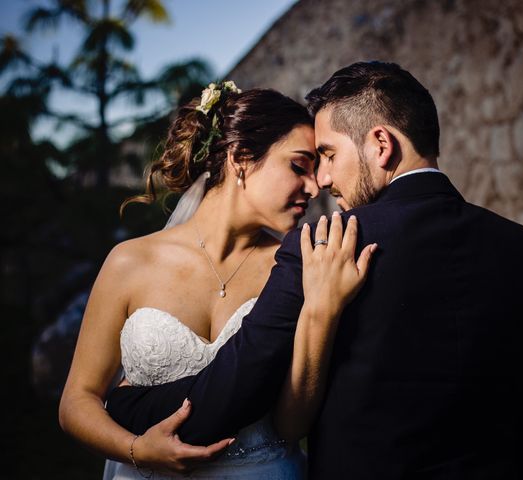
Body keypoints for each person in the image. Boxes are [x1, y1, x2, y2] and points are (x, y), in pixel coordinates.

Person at [105, 62, 523, 479]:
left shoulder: (326, 244)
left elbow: (232, 392)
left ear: (381, 145)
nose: (322, 180)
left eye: (328, 155)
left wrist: (126, 402)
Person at [59, 83, 376, 478]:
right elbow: (77, 400)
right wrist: (137, 449)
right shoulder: (130, 262)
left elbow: (292, 425)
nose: (314, 188)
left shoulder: (298, 265)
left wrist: (322, 312)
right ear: (241, 158)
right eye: (299, 166)